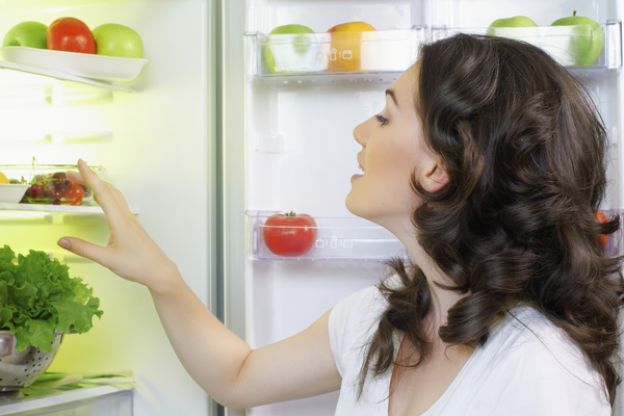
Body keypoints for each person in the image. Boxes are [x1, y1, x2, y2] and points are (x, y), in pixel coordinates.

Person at [57, 33, 623, 415]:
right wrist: (163, 277)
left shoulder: (543, 376)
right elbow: (238, 376)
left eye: (384, 115)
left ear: (439, 167)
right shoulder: (376, 320)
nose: (361, 132)